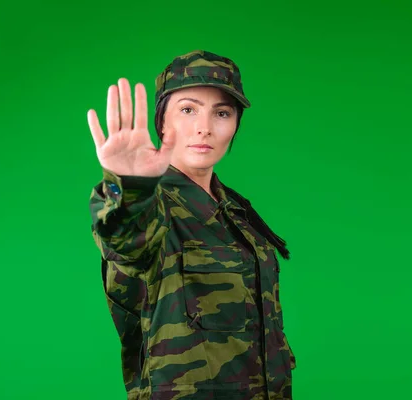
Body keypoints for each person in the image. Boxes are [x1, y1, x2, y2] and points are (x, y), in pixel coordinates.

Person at [87, 50, 296, 400]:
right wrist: (131, 185)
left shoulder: (237, 210)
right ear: (161, 122)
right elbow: (124, 241)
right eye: (188, 109)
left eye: (222, 113)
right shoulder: (151, 205)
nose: (205, 127)